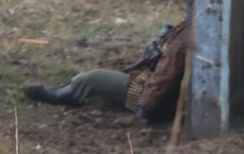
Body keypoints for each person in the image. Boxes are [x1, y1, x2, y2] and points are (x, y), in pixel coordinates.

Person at [23, 22, 186, 122]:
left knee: (92, 79)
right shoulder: (202, 25)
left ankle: (63, 94)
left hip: (157, 98)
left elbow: (162, 79)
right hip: (178, 99)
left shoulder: (185, 35)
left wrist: (145, 107)